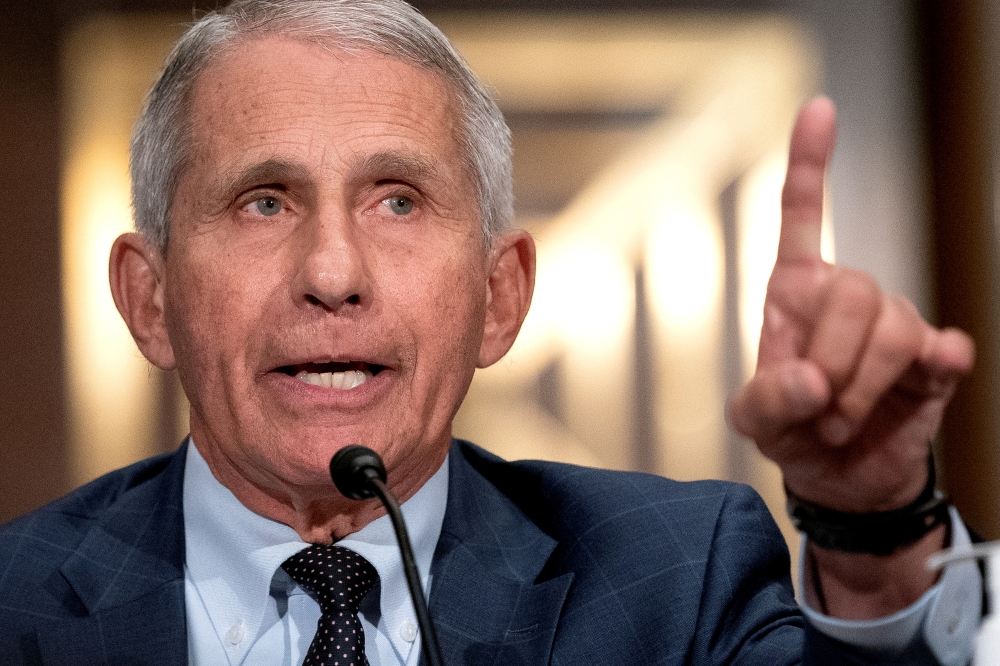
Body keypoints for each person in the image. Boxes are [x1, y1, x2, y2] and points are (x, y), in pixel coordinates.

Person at [0, 0, 982, 664]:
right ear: (149, 298)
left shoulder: (676, 584)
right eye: (263, 202)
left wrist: (874, 535)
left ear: (501, 297)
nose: (332, 274)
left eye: (396, 202)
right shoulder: (15, 607)